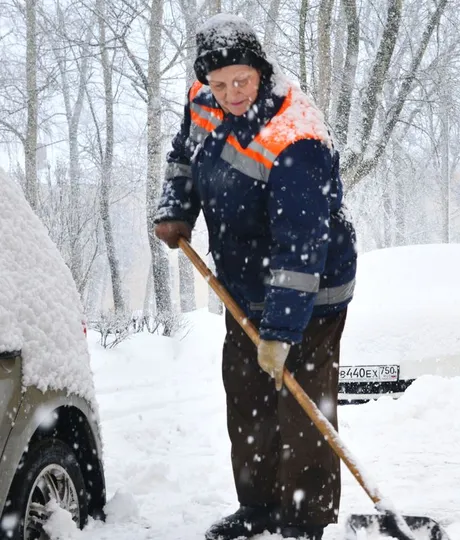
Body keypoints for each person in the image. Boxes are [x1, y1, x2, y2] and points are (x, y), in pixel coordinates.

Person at [152, 14, 356, 540]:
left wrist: (282, 333)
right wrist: (176, 207)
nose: (231, 93)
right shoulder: (203, 99)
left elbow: (301, 245)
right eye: (219, 84)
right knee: (247, 400)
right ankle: (259, 507)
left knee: (302, 411)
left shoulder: (296, 136)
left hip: (312, 294)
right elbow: (185, 154)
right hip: (244, 286)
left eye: (241, 80)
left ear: (261, 71)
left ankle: (307, 521)